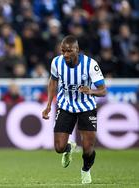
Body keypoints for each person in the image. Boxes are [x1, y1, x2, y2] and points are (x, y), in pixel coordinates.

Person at [42, 35, 107, 184]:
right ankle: (68, 148)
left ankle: (85, 169)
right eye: (63, 51)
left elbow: (103, 90)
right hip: (65, 105)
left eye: (69, 51)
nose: (65, 55)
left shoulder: (90, 65)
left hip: (87, 107)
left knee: (87, 148)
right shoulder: (57, 62)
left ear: (77, 50)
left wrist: (90, 91)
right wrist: (48, 105)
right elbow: (53, 82)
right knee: (59, 147)